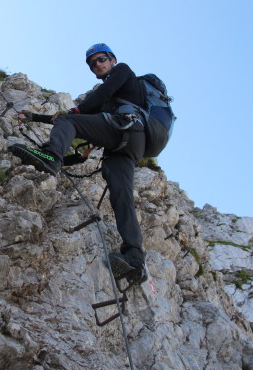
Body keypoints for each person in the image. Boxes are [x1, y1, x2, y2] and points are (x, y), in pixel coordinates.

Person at [9, 43, 151, 284]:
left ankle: (52, 157)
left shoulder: (123, 72)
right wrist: (34, 117)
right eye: (92, 63)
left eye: (102, 59)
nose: (98, 64)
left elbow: (79, 111)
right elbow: (71, 119)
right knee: (121, 196)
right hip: (126, 145)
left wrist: (74, 111)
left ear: (112, 59)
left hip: (126, 128)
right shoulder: (109, 100)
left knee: (70, 119)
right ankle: (135, 259)